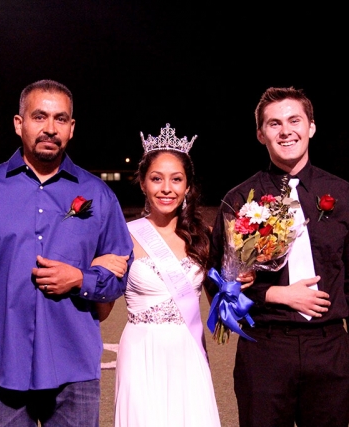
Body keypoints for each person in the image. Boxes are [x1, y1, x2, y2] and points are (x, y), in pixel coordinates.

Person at [0, 79, 133, 426]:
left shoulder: (98, 195)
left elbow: (122, 275)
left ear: (71, 128)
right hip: (1, 368)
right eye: (39, 117)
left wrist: (81, 279)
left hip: (75, 370)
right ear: (19, 123)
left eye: (60, 119)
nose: (50, 129)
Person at [207, 87, 349, 427]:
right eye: (274, 123)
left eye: (294, 120)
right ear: (260, 134)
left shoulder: (342, 194)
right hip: (266, 348)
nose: (286, 131)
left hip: (331, 350)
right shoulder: (240, 199)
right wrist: (273, 294)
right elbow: (218, 279)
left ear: (311, 127)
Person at [96, 124, 221, 426]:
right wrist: (96, 272)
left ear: (188, 185)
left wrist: (239, 282)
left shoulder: (203, 236)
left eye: (176, 179)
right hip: (141, 353)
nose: (167, 188)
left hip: (188, 352)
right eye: (156, 178)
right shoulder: (123, 236)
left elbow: (221, 304)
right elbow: (101, 313)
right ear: (142, 182)